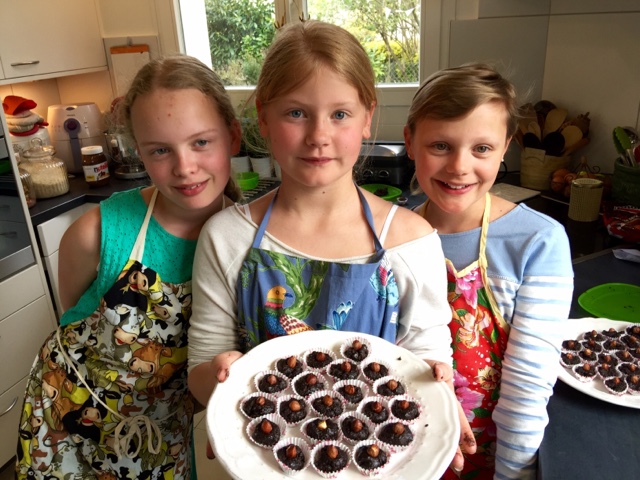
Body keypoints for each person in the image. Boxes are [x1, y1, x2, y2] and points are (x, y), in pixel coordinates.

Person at [187, 19, 476, 472]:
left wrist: (438, 389)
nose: (318, 135)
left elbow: (426, 356)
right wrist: (221, 380)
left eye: (340, 114)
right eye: (295, 113)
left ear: (367, 118)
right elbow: (202, 371)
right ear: (263, 117)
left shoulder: (412, 240)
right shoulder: (226, 237)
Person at [15, 55, 242, 479]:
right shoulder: (97, 233)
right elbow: (73, 319)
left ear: (232, 137)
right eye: (160, 150)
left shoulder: (246, 243)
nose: (184, 167)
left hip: (158, 435)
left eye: (201, 142)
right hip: (66, 423)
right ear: (139, 152)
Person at [403, 63, 574, 479]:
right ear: (410, 141)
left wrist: (511, 473)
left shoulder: (537, 243)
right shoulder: (393, 233)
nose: (459, 166)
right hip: (404, 451)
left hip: (492, 460)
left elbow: (527, 389)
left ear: (505, 148)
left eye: (481, 148)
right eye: (440, 145)